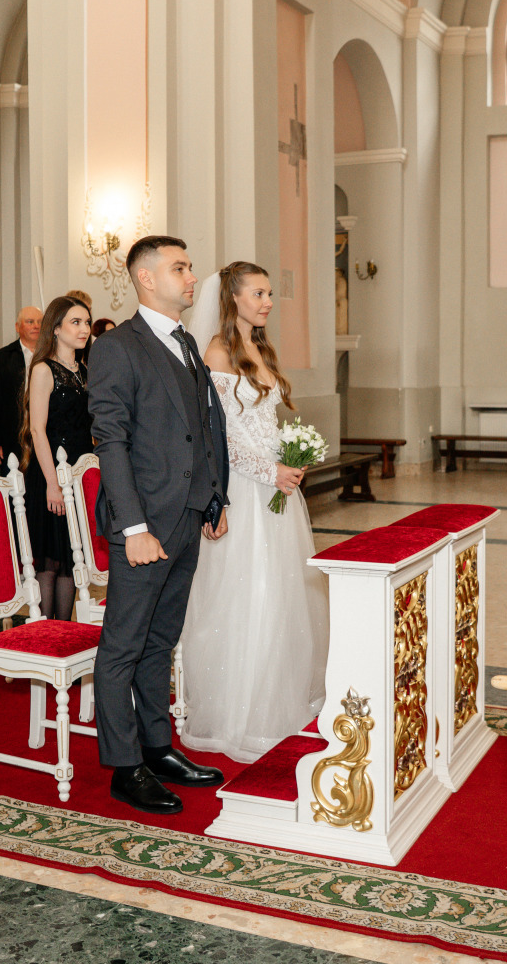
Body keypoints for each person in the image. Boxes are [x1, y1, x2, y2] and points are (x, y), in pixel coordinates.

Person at [87, 235, 230, 814]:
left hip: (187, 515)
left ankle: (156, 745)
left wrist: (214, 499)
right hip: (144, 523)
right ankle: (125, 766)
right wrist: (132, 526)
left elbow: (204, 425)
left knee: (160, 641)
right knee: (122, 644)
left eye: (190, 267)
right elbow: (111, 442)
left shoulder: (187, 342)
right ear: (147, 279)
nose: (192, 276)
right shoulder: (119, 346)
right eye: (180, 267)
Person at [178, 262, 328, 762]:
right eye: (259, 293)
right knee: (248, 596)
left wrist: (290, 458)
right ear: (233, 298)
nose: (267, 301)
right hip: (242, 491)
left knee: (283, 595)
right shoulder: (218, 351)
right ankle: (238, 716)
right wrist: (270, 473)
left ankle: (278, 703)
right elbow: (217, 436)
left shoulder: (261, 349)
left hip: (277, 492)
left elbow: (261, 425)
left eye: (268, 293)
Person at [19, 295, 95, 621]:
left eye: (87, 322)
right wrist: (53, 483)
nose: (84, 329)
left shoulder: (83, 370)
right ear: (56, 329)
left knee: (71, 558)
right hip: (50, 475)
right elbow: (37, 430)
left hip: (78, 476)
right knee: (51, 560)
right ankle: (46, 646)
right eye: (76, 322)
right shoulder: (43, 369)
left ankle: (65, 646)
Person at [0, 306, 41, 470]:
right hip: (12, 437)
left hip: (45, 435)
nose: (36, 326)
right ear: (17, 327)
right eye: (30, 322)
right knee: (16, 488)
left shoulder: (51, 355)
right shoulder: (1, 358)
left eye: (40, 322)